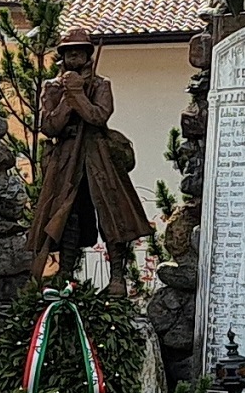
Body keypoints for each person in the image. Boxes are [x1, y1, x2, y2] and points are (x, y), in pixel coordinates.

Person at [25, 40, 152, 277]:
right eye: (69, 52)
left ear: (87, 54)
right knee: (65, 214)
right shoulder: (52, 88)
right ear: (62, 56)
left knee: (111, 213)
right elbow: (50, 126)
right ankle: (65, 274)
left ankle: (116, 277)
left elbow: (98, 116)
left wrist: (78, 95)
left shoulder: (100, 85)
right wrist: (67, 99)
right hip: (66, 162)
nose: (74, 56)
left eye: (79, 51)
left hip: (98, 159)